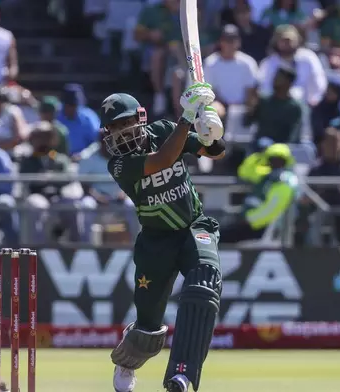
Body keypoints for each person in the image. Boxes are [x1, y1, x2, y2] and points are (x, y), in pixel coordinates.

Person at [101, 85, 225, 392]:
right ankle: (128, 363)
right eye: (114, 128)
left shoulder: (164, 129)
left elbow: (215, 152)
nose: (121, 133)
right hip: (156, 242)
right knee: (148, 330)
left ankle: (182, 375)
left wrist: (211, 133)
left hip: (194, 226)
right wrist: (186, 119)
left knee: (204, 284)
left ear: (141, 118)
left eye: (126, 123)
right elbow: (164, 159)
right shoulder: (118, 164)